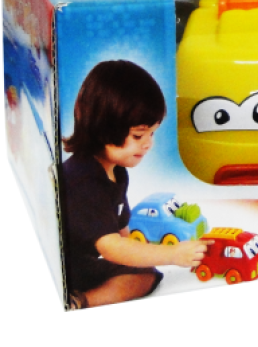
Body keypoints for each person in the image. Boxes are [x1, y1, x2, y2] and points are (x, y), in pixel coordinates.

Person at [61, 60, 207, 309]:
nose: (148, 143)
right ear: (103, 127)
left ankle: (84, 297)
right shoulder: (83, 180)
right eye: (138, 135)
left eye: (152, 133)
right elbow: (112, 247)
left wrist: (144, 255)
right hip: (68, 268)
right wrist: (173, 254)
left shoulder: (117, 171)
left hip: (86, 263)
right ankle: (81, 301)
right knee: (142, 271)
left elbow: (123, 232)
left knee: (146, 274)